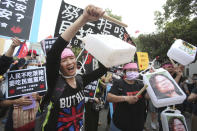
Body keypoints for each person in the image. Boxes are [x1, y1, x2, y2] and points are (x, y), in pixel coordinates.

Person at [39, 5, 107, 131]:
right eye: (64, 60)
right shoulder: (54, 82)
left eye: (71, 58)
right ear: (58, 65)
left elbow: (103, 69)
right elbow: (54, 52)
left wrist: (104, 49)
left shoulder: (81, 80)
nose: (69, 62)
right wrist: (84, 19)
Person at [107, 62, 147, 131]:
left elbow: (147, 97)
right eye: (130, 70)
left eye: (135, 70)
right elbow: (109, 97)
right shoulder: (119, 83)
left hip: (138, 124)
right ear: (125, 72)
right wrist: (125, 98)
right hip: (120, 124)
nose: (133, 72)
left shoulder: (141, 84)